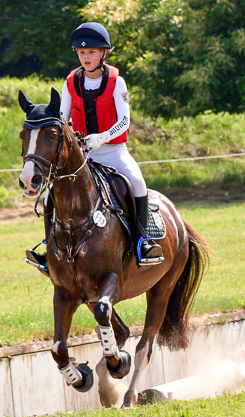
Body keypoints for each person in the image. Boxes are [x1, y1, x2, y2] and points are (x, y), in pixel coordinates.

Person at [26, 21, 164, 271]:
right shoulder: (71, 82)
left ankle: (143, 241)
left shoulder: (117, 82)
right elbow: (63, 119)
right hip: (83, 156)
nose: (86, 57)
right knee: (49, 195)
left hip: (113, 152)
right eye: (81, 52)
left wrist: (102, 137)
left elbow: (124, 120)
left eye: (91, 52)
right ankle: (48, 247)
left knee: (137, 183)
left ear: (103, 53)